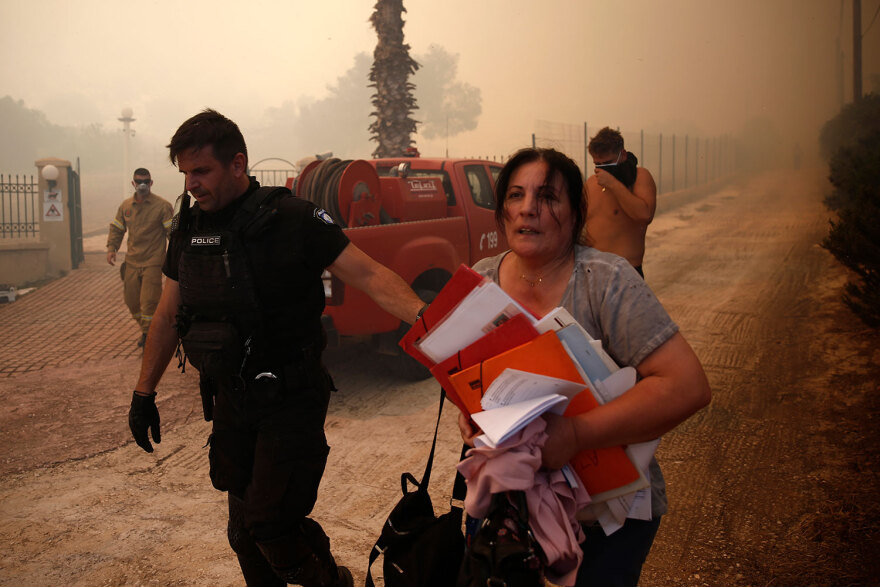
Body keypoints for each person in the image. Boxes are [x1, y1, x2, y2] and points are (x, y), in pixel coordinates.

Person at [126, 109, 426, 587]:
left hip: (292, 393)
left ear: (238, 164)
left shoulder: (294, 218)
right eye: (184, 174)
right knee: (244, 534)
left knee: (269, 523)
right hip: (231, 396)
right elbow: (166, 315)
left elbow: (368, 274)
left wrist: (428, 322)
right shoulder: (188, 229)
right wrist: (144, 395)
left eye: (201, 171)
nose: (191, 185)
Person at [459, 147, 710, 586]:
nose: (528, 209)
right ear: (502, 212)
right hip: (508, 509)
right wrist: (468, 411)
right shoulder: (482, 280)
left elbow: (687, 386)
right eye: (516, 195)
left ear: (576, 214)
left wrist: (575, 434)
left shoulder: (607, 280)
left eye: (548, 197)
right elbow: (461, 374)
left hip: (607, 517)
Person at [106, 168, 174, 346]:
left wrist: (177, 255)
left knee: (149, 302)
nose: (142, 185)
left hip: (153, 261)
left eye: (145, 181)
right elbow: (117, 228)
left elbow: (171, 234)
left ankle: (148, 336)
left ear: (151, 183)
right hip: (132, 261)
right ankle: (147, 329)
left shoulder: (162, 206)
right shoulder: (126, 207)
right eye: (138, 181)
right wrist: (111, 248)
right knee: (132, 302)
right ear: (133, 183)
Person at [581, 127, 656, 278]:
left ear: (622, 155)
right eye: (598, 164)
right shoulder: (591, 183)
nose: (602, 169)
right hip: (592, 271)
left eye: (607, 163)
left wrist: (613, 184)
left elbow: (644, 215)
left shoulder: (640, 177)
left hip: (626, 271)